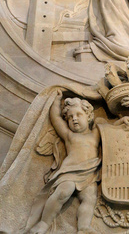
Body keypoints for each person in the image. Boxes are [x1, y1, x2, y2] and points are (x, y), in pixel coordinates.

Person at [28, 91, 100, 234]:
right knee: (63, 192)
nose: (74, 119)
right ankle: (43, 222)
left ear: (89, 116)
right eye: (70, 117)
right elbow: (55, 117)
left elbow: (111, 129)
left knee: (89, 198)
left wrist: (124, 120)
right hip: (70, 171)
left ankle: (83, 228)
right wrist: (57, 101)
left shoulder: (95, 134)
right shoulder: (69, 136)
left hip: (89, 173)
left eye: (78, 115)